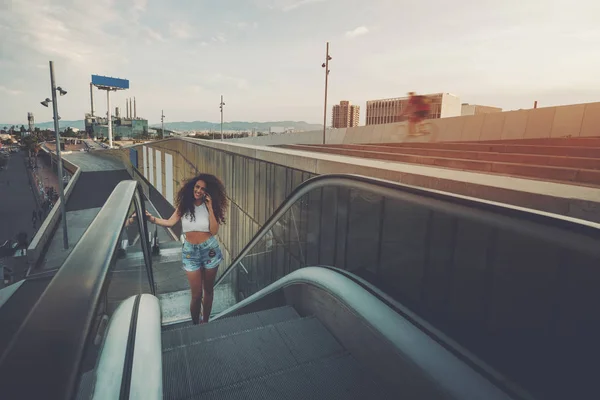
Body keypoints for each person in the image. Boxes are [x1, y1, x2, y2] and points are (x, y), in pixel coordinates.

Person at [145, 173, 227, 324]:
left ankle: (205, 322)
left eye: (203, 189)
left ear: (207, 192)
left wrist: (210, 207)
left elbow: (214, 231)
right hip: (190, 252)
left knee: (208, 290)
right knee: (196, 295)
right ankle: (195, 323)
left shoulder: (210, 206)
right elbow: (170, 223)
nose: (199, 191)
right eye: (197, 187)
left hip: (209, 250)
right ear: (192, 187)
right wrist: (152, 219)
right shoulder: (184, 205)